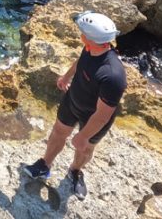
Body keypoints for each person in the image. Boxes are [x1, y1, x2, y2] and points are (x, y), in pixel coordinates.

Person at [23, 11, 126, 201]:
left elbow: (102, 116)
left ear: (88, 38)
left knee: (84, 148)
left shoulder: (112, 75)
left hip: (93, 118)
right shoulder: (91, 47)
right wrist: (66, 77)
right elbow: (81, 62)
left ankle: (75, 171)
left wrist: (84, 135)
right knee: (58, 132)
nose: (80, 35)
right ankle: (45, 165)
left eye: (82, 33)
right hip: (72, 101)